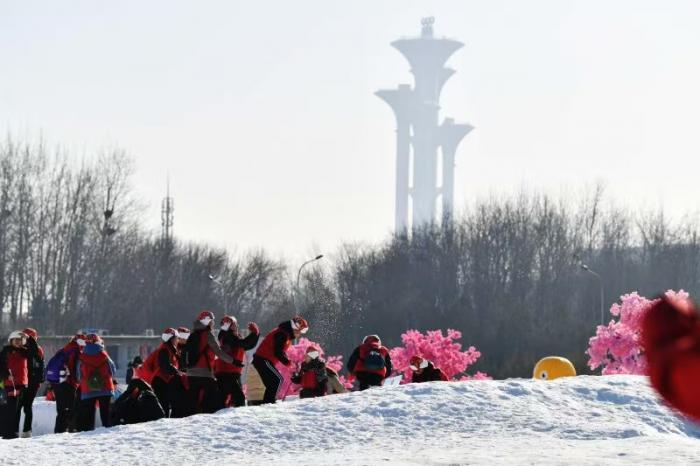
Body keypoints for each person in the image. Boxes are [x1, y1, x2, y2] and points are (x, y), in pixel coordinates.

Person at [184, 310, 234, 414]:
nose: (213, 323)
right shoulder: (208, 335)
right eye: (212, 321)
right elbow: (218, 352)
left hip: (191, 374)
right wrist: (233, 361)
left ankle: (191, 420)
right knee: (213, 401)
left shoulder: (192, 335)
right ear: (207, 321)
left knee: (193, 402)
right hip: (205, 373)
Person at [253, 316, 308, 404]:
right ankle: (269, 403)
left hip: (264, 360)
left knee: (273, 383)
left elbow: (281, 351)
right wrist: (288, 362)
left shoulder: (285, 335)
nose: (300, 334)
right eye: (300, 331)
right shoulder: (282, 334)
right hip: (263, 359)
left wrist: (289, 361)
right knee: (277, 380)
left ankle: (268, 403)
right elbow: (278, 352)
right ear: (295, 327)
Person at [215, 315, 260, 407]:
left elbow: (248, 345)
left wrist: (256, 334)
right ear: (228, 326)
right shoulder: (226, 336)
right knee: (239, 398)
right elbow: (243, 343)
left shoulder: (234, 336)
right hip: (226, 372)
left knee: (228, 399)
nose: (236, 326)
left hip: (233, 372)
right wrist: (254, 333)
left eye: (235, 324)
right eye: (234, 324)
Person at [76, 333, 116, 431]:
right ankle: (108, 431)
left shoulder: (82, 357)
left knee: (89, 413)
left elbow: (79, 375)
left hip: (88, 389)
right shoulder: (104, 355)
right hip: (105, 388)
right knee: (105, 412)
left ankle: (89, 432)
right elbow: (113, 371)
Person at [45, 333, 85, 433]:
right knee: (70, 408)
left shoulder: (64, 349)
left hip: (57, 382)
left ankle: (58, 431)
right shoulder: (76, 351)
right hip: (68, 383)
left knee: (61, 409)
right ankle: (68, 430)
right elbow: (76, 370)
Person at [150, 328, 185, 417]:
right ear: (172, 338)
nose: (178, 340)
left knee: (167, 404)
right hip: (160, 381)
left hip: (165, 381)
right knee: (163, 405)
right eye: (177, 338)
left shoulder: (171, 349)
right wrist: (177, 372)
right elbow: (165, 365)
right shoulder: (164, 349)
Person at [0, 331, 29, 439]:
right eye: (15, 340)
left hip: (22, 385)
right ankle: (7, 434)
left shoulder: (25, 352)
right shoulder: (5, 351)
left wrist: (29, 338)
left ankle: (13, 432)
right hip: (9, 385)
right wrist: (6, 375)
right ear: (11, 341)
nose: (17, 342)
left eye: (20, 340)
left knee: (17, 411)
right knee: (9, 410)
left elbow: (35, 352)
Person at [19, 328, 44, 437]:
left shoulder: (23, 349)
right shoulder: (39, 349)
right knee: (27, 407)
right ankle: (27, 431)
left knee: (18, 406)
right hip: (33, 382)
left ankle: (15, 430)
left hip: (24, 381)